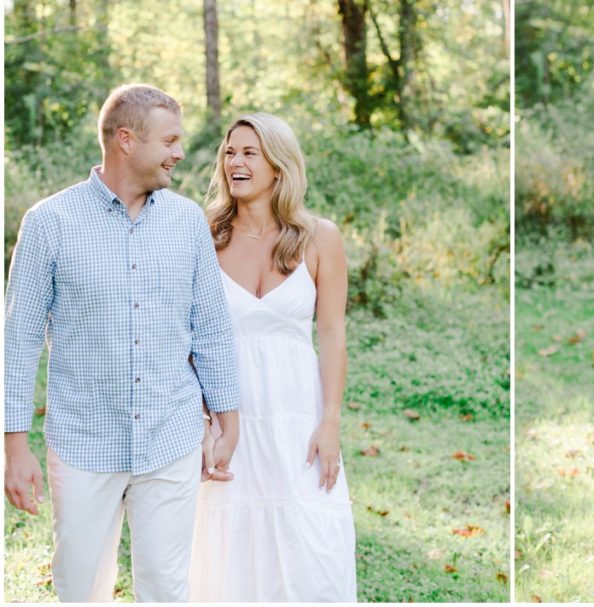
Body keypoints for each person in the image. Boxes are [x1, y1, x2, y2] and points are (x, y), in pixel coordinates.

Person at [4, 84, 240, 602]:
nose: (180, 153)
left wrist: (228, 418)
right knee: (81, 586)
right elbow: (16, 343)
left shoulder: (186, 224)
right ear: (127, 141)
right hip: (84, 440)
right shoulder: (49, 224)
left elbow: (212, 327)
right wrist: (13, 448)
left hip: (171, 435)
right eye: (170, 140)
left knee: (165, 587)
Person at [189, 113, 357, 601]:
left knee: (311, 544)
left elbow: (331, 332)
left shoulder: (320, 238)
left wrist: (331, 422)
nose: (235, 162)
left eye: (249, 152)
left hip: (297, 415)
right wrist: (203, 421)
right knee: (228, 549)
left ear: (279, 165)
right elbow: (186, 336)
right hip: (227, 416)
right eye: (229, 152)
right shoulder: (203, 235)